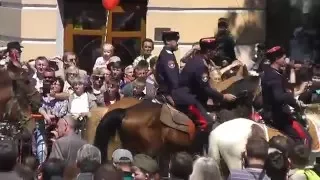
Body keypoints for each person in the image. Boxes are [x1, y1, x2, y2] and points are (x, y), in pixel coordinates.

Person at [179, 37, 236, 131]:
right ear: (209, 51)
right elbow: (205, 88)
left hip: (192, 96)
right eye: (215, 50)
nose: (216, 52)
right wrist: (223, 97)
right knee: (208, 122)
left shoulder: (199, 59)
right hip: (189, 98)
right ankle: (200, 145)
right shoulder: (201, 65)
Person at [261, 46, 311, 145]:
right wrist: (296, 95)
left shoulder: (272, 72)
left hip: (274, 112)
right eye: (283, 58)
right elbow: (279, 97)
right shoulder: (273, 77)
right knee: (300, 140)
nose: (285, 60)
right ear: (276, 59)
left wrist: (294, 101)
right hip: (276, 116)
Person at [154, 31, 180, 106]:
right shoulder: (167, 56)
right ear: (168, 41)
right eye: (175, 40)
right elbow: (173, 79)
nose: (177, 43)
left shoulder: (167, 54)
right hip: (168, 93)